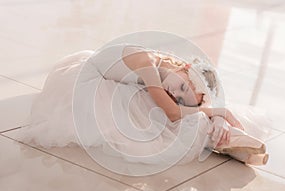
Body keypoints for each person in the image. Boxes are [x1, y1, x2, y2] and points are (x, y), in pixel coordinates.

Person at [19, 43, 269, 166]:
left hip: (121, 83)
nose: (175, 93)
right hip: (84, 83)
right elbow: (172, 113)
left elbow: (183, 101)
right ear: (185, 68)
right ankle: (216, 139)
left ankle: (220, 137)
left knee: (166, 108)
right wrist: (218, 111)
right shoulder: (148, 63)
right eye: (181, 87)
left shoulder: (176, 72)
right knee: (156, 112)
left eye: (181, 95)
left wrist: (212, 111)